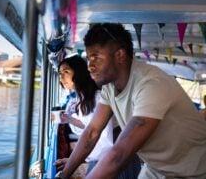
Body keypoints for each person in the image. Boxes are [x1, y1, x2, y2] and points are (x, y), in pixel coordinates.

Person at [56, 23, 206, 179]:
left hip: (194, 171)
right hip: (157, 169)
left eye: (96, 58)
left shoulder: (151, 84)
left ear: (120, 55)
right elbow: (92, 132)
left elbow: (119, 155)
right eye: (88, 59)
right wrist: (63, 175)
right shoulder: (109, 87)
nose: (90, 66)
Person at [55, 55, 140, 177]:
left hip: (116, 159)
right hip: (108, 157)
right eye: (60, 73)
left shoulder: (97, 98)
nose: (61, 77)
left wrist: (75, 161)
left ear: (78, 73)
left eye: (66, 71)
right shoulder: (83, 98)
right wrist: (68, 119)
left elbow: (100, 140)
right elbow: (87, 126)